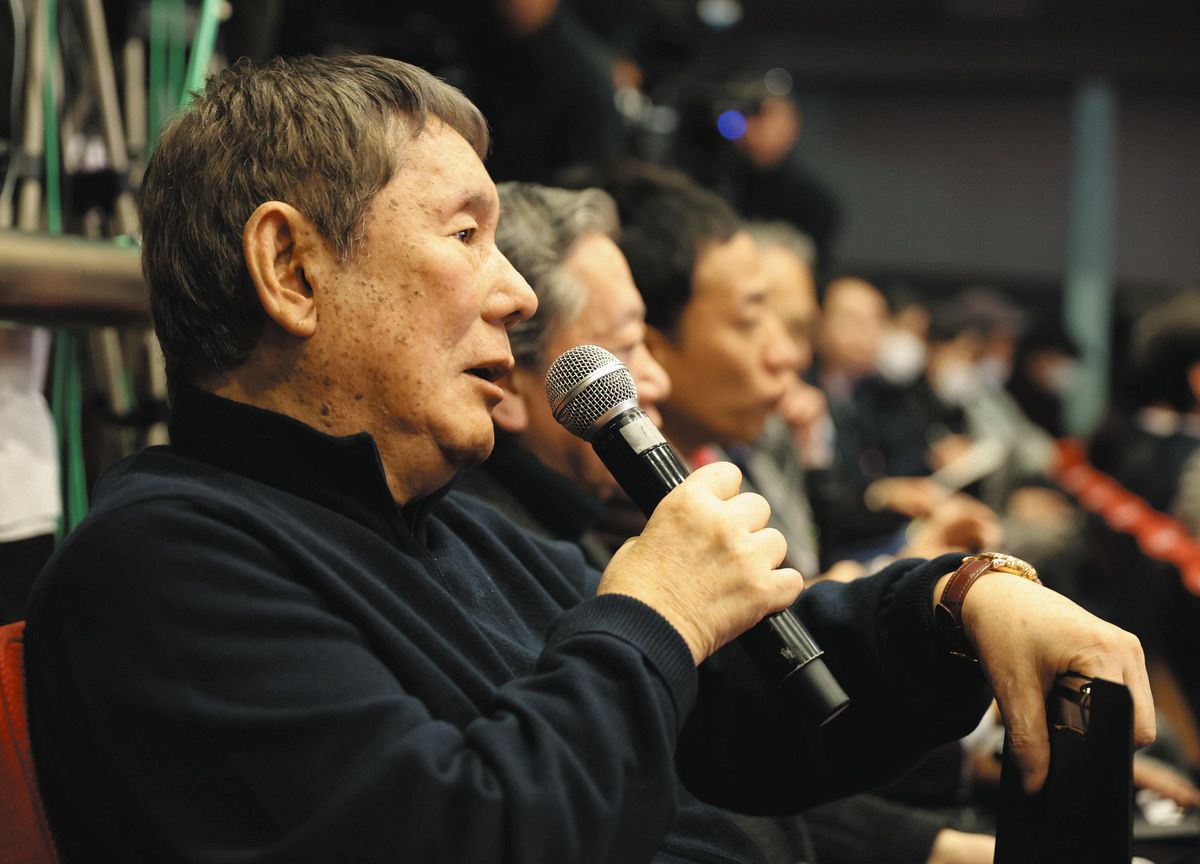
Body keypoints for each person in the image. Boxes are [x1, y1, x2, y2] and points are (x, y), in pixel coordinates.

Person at [25, 56, 1153, 864]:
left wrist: (955, 605)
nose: (517, 295)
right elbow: (461, 834)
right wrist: (652, 614)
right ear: (292, 269)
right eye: (465, 235)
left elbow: (738, 716)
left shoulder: (449, 526)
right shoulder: (166, 562)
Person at [465, 181, 996, 864]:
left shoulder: (559, 526)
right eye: (627, 345)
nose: (650, 378)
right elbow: (555, 806)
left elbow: (718, 746)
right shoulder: (498, 541)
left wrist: (954, 599)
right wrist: (660, 613)